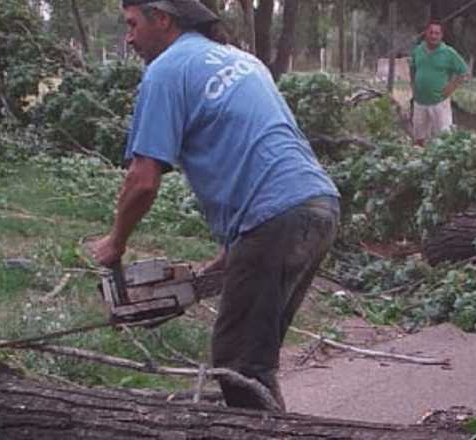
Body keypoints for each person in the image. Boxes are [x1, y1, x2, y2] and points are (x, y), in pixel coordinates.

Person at [89, 0, 340, 412]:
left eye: (133, 25)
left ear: (163, 19)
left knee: (239, 365)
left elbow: (143, 180)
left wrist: (114, 243)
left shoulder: (167, 71)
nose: (128, 37)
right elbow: (259, 146)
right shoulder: (240, 59)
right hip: (317, 205)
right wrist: (227, 257)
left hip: (275, 218)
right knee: (253, 356)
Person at [408, 21, 468, 146]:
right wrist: (413, 85)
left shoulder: (448, 52)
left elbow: (463, 72)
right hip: (419, 101)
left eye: (437, 33)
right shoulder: (418, 50)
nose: (434, 36)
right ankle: (418, 161)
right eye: (431, 33)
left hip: (439, 101)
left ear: (441, 36)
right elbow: (412, 67)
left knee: (445, 138)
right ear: (425, 34)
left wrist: (450, 88)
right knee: (418, 138)